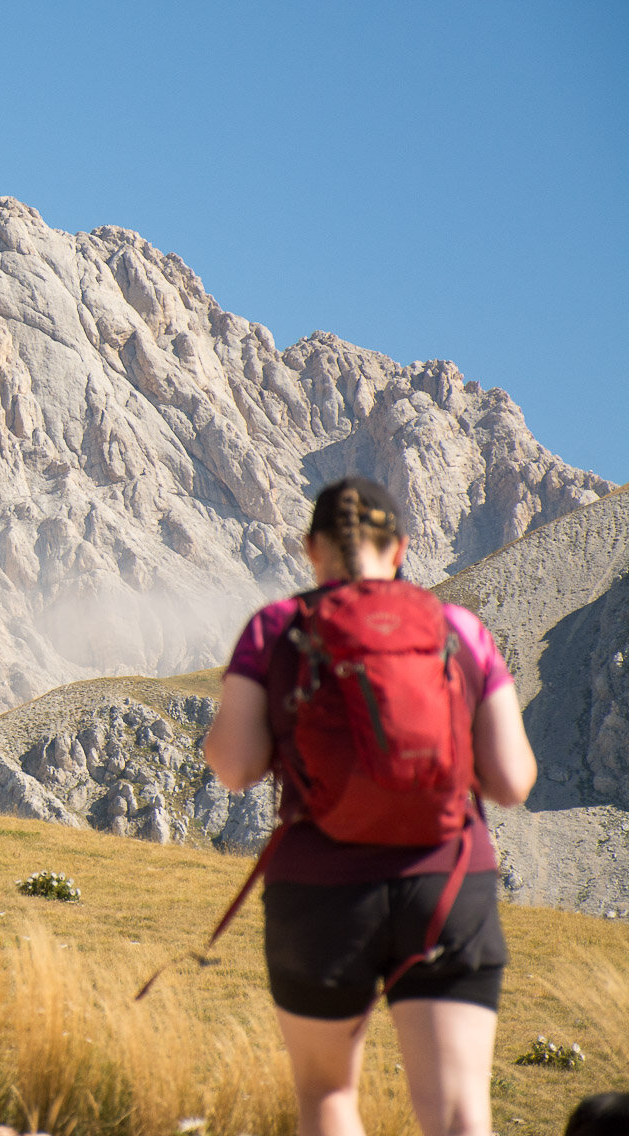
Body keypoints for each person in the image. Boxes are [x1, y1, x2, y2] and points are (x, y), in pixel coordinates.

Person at [204, 477, 536, 1136]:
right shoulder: (459, 628)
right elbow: (511, 780)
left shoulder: (277, 627)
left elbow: (235, 765)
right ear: (401, 548)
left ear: (311, 549)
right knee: (462, 1114)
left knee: (327, 1095)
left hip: (322, 890)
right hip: (446, 884)